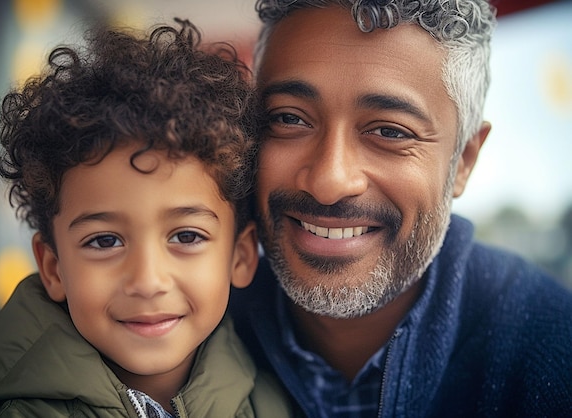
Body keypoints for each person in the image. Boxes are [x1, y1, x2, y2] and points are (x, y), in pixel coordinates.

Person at [229, 0, 572, 417]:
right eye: (289, 119)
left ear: (463, 162)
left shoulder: (553, 345)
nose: (330, 180)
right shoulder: (184, 331)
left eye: (389, 131)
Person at [0, 20, 292, 418]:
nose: (147, 281)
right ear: (53, 268)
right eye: (104, 241)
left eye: (186, 236)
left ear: (240, 256)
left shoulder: (271, 405)